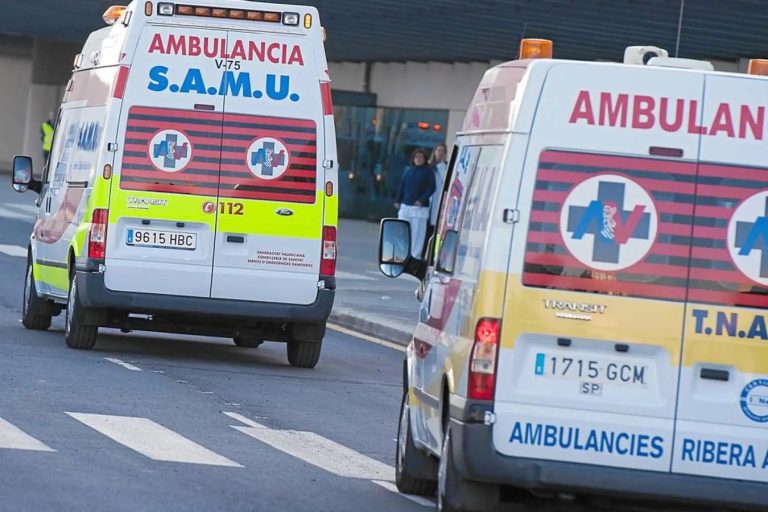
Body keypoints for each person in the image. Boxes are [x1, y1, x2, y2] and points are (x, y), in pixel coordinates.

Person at [395, 148, 436, 259]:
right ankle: (401, 255)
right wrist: (398, 200)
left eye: (421, 157)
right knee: (402, 232)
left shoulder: (428, 172)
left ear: (425, 159)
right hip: (405, 206)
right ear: (413, 159)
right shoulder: (408, 171)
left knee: (417, 235)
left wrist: (422, 200)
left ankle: (415, 258)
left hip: (419, 208)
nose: (418, 159)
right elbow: (402, 185)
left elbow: (432, 188)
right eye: (416, 157)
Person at [426, 143, 449, 254]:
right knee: (426, 233)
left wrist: (441, 165)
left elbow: (446, 180)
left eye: (443, 151)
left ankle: (434, 255)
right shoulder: (428, 167)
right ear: (434, 152)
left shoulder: (446, 167)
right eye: (438, 150)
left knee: (437, 231)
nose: (440, 153)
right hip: (429, 204)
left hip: (440, 203)